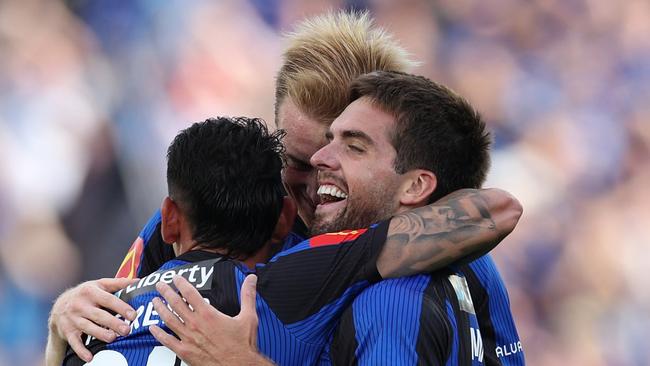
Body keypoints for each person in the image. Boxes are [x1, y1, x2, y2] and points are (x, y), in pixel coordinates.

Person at [47, 10, 524, 365]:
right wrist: (66, 313)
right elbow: (113, 319)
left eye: (349, 150)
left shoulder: (428, 273)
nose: (321, 175)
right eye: (297, 161)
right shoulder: (228, 213)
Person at [55, 116, 518, 365]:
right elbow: (497, 210)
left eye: (351, 145)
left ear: (170, 220)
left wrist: (57, 333)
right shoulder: (283, 286)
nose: (322, 163)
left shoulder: (99, 312)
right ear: (284, 219)